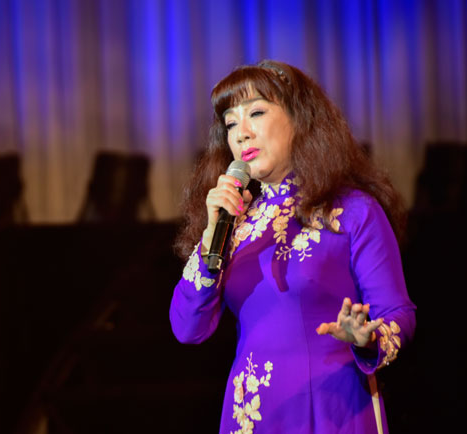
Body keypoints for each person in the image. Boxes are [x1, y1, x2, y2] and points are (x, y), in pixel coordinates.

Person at [170, 60, 416, 434]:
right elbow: (188, 328)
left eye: (256, 113)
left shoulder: (351, 211)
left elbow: (397, 311)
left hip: (333, 407)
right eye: (231, 123)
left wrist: (369, 338)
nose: (242, 133)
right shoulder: (234, 225)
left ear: (299, 119)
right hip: (252, 412)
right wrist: (211, 237)